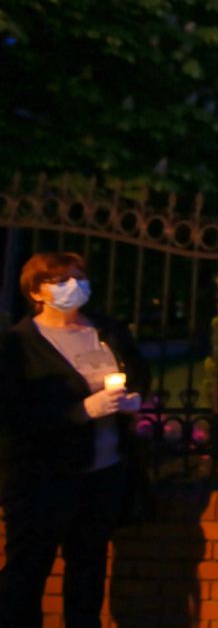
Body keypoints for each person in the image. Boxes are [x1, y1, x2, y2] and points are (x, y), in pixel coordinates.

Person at [0, 252, 148, 628]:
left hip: (103, 471)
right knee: (27, 573)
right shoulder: (18, 345)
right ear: (36, 291)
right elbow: (16, 415)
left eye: (80, 278)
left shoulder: (105, 331)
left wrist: (133, 400)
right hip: (42, 479)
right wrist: (82, 410)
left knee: (88, 569)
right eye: (61, 280)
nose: (75, 287)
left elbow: (138, 373)